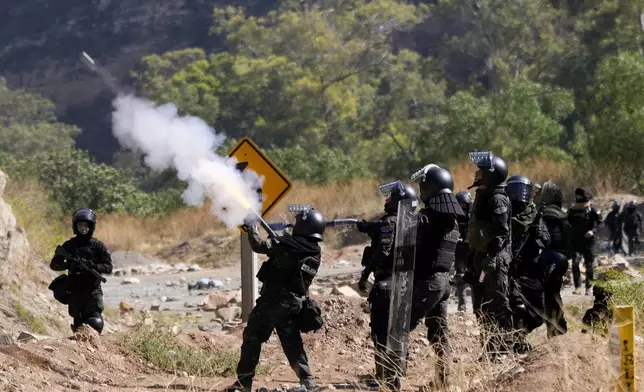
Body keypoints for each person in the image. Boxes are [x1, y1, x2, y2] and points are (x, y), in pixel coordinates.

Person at [227, 208, 326, 392]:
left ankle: (243, 383)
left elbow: (258, 246)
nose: (294, 225)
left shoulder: (290, 245)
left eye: (298, 223)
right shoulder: (314, 251)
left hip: (274, 302)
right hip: (294, 304)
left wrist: (252, 228)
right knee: (292, 343)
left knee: (253, 336)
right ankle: (308, 382)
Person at [409, 164, 464, 388]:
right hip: (442, 283)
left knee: (400, 326)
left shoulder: (431, 217)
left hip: (429, 282)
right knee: (439, 334)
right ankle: (443, 380)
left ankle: (390, 376)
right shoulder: (450, 219)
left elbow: (409, 232)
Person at [363, 182, 418, 391]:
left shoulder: (390, 223)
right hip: (406, 284)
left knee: (380, 330)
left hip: (386, 284)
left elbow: (384, 250)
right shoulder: (412, 223)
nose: (386, 201)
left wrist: (365, 272)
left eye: (389, 198)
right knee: (398, 331)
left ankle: (386, 378)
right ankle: (397, 373)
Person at [466, 151, 514, 362]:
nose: (477, 173)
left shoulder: (497, 199)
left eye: (481, 171)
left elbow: (501, 232)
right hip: (482, 257)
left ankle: (504, 352)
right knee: (481, 306)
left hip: (495, 261)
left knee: (498, 304)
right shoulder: (483, 195)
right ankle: (489, 351)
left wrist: (492, 256)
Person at [505, 175, 550, 353]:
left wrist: (536, 232)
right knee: (517, 305)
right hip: (511, 267)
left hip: (530, 268)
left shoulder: (534, 214)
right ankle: (518, 339)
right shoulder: (504, 213)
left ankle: (522, 334)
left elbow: (546, 240)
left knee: (539, 311)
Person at [50, 208, 112, 334]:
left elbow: (108, 267)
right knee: (79, 326)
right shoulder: (69, 245)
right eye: (80, 225)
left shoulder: (98, 245)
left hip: (93, 290)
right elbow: (54, 265)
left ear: (91, 226)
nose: (83, 228)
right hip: (75, 291)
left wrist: (92, 265)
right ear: (75, 226)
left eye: (86, 225)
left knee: (96, 322)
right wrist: (70, 264)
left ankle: (93, 350)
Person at [538, 181, 570, 338]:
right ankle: (557, 329)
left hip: (550, 260)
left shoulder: (548, 214)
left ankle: (557, 329)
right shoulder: (561, 213)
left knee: (548, 297)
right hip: (559, 260)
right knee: (552, 295)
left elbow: (548, 241)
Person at [567, 187, 603, 295]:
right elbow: (567, 224)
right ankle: (577, 287)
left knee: (589, 265)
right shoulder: (572, 210)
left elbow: (601, 223)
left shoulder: (592, 210)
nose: (578, 197)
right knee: (575, 264)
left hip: (588, 242)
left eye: (580, 196)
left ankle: (588, 287)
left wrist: (593, 231)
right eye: (577, 195)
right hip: (576, 242)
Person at [454, 191, 473, 312]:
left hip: (471, 249)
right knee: (460, 276)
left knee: (474, 276)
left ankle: (479, 304)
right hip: (459, 249)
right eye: (459, 204)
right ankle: (462, 305)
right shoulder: (453, 215)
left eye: (464, 204)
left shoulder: (474, 215)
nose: (462, 207)